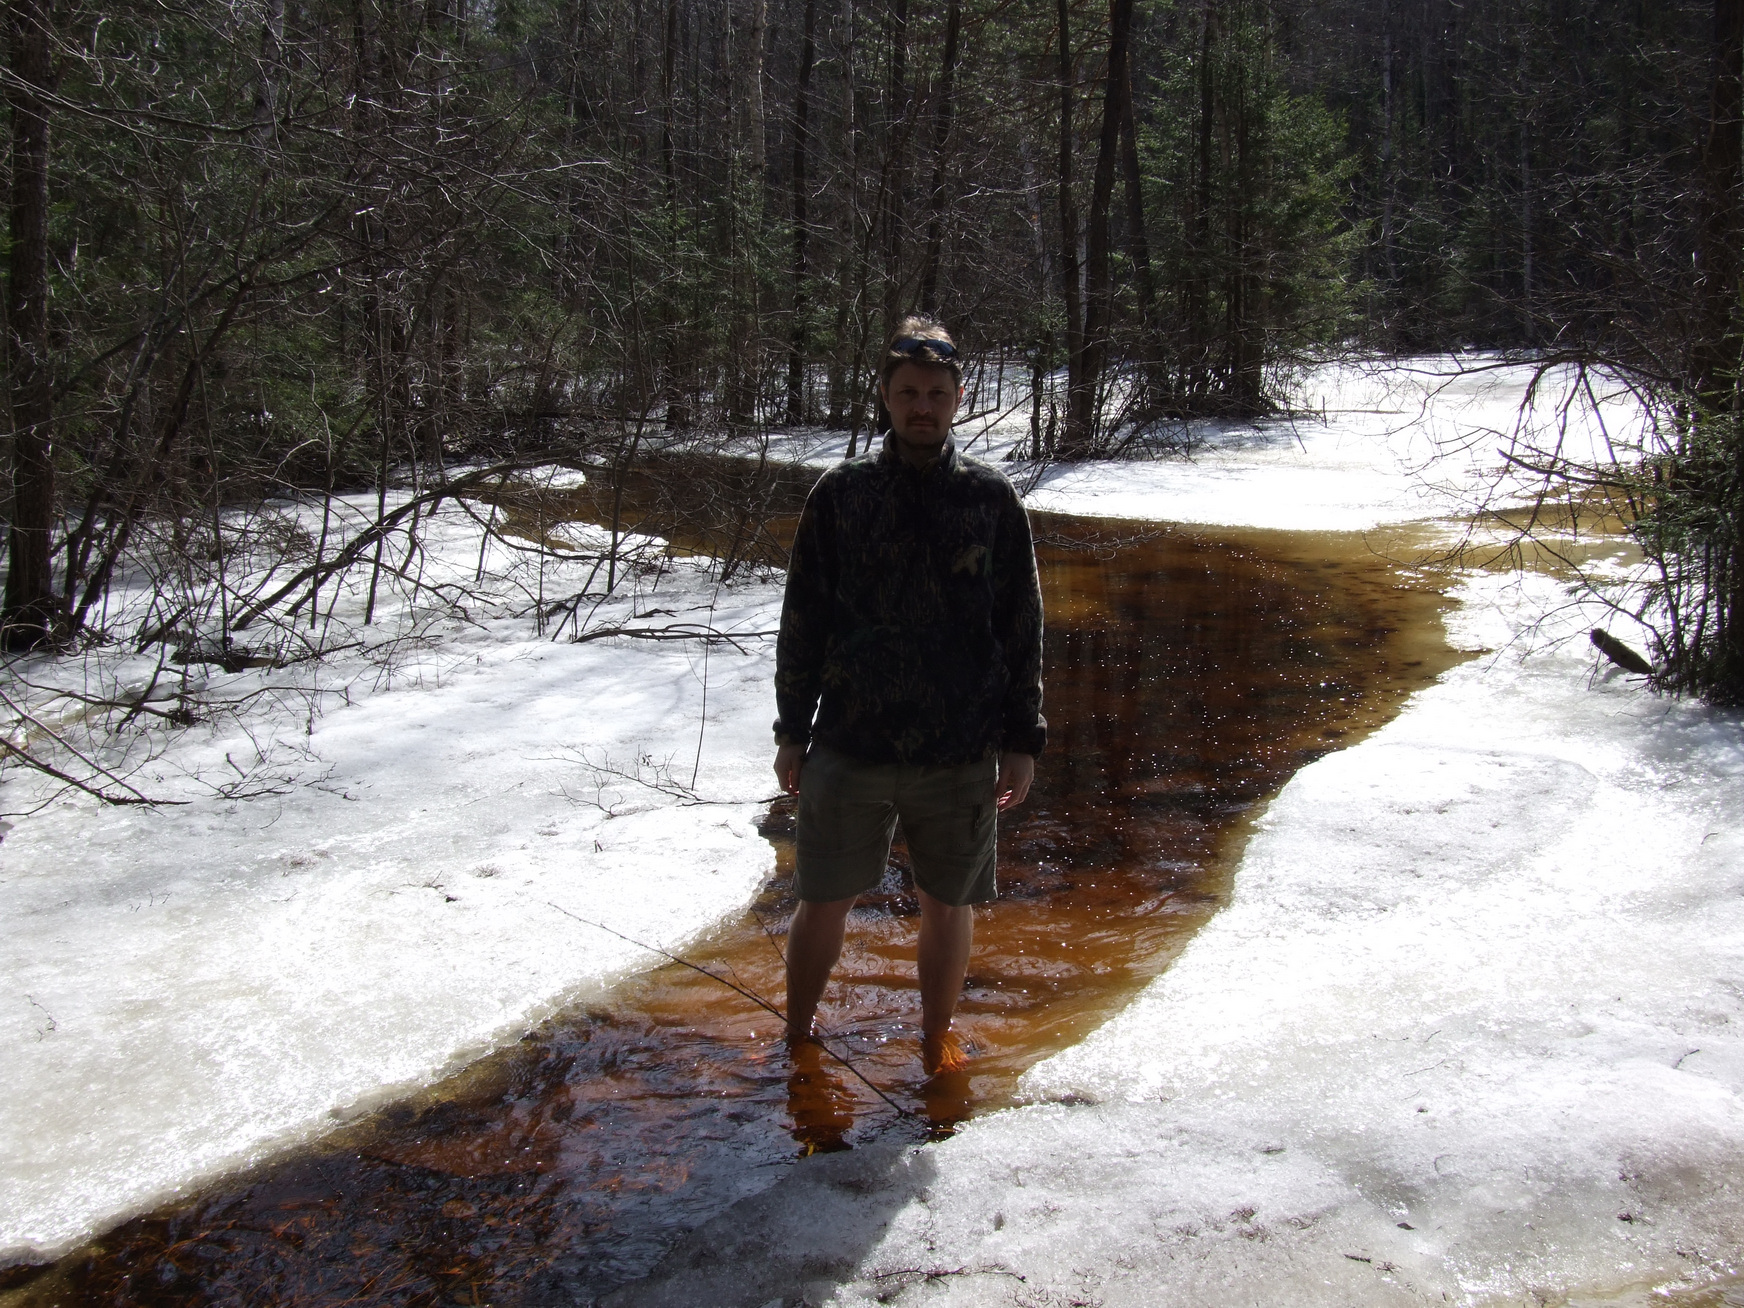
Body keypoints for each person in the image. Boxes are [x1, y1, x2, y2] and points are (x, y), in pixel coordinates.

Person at [772, 316, 1046, 1078]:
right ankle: (797, 1034)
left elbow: (1020, 625)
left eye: (935, 394)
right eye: (907, 393)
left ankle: (935, 1037)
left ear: (958, 399)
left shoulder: (990, 498)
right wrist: (792, 729)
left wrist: (1022, 738)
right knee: (823, 897)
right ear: (886, 398)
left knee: (947, 903)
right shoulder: (842, 494)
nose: (922, 407)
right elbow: (803, 618)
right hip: (849, 741)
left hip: (959, 747)